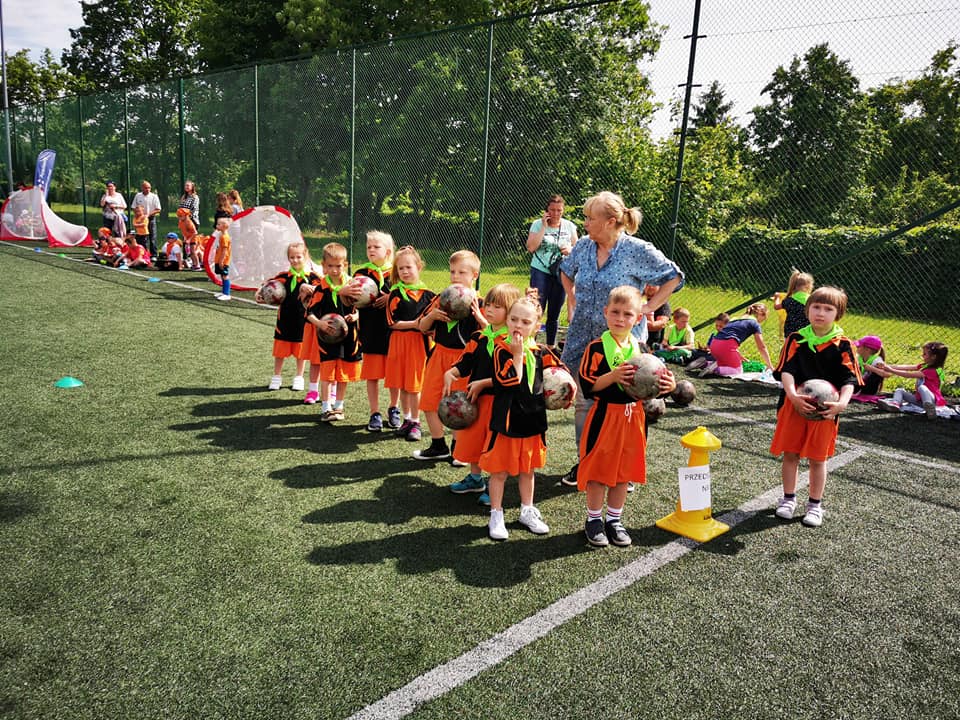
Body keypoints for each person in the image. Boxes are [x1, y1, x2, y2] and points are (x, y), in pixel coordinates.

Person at [558, 190, 683, 488]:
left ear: (610, 221)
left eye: (590, 218)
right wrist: (572, 300)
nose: (585, 223)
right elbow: (565, 271)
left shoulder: (637, 250)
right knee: (585, 402)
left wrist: (648, 308)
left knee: (625, 405)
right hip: (584, 339)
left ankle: (622, 467)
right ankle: (586, 462)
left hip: (624, 344)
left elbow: (674, 276)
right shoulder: (584, 246)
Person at [578, 286, 675, 547]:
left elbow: (656, 381)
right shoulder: (596, 348)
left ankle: (614, 520)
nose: (620, 318)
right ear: (605, 312)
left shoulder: (641, 348)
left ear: (638, 318)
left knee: (623, 473)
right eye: (615, 312)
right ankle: (594, 520)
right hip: (605, 417)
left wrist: (670, 385)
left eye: (627, 314)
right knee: (599, 472)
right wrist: (613, 376)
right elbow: (588, 386)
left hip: (634, 419)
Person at [480, 296, 571, 541]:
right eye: (514, 319)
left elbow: (561, 372)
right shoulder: (501, 349)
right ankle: (496, 513)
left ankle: (527, 510)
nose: (518, 325)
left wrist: (567, 390)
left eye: (525, 321)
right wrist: (518, 355)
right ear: (507, 321)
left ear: (537, 326)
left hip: (533, 421)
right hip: (507, 421)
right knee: (499, 472)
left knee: (528, 471)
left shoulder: (541, 351)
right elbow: (510, 380)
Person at [771, 286, 860, 527]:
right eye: (816, 307)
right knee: (790, 454)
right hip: (795, 406)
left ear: (838, 314)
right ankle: (788, 499)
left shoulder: (844, 345)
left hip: (825, 412)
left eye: (828, 309)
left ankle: (814, 505)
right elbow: (786, 371)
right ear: (807, 309)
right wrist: (792, 395)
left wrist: (841, 403)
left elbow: (849, 379)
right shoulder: (796, 339)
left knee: (818, 459)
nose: (821, 313)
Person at [444, 283, 523, 507]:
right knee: (474, 441)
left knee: (494, 445)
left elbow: (512, 375)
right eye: (488, 304)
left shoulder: (512, 342)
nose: (489, 309)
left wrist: (484, 383)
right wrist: (452, 372)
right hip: (476, 402)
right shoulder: (478, 337)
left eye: (497, 306)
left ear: (510, 312)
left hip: (501, 403)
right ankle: (475, 478)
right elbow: (466, 361)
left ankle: (493, 484)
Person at [413, 250, 485, 461]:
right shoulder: (440, 299)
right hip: (439, 355)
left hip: (465, 360)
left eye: (462, 272)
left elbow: (491, 333)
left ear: (474, 275)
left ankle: (458, 449)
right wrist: (433, 316)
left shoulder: (480, 303)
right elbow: (421, 326)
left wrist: (479, 318)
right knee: (429, 400)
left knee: (461, 405)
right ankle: (438, 445)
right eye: (452, 271)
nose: (455, 276)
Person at [340, 230, 400, 431]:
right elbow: (348, 301)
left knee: (394, 375)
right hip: (370, 331)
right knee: (372, 375)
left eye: (376, 247)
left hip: (392, 332)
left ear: (388, 251)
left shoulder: (397, 273)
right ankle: (374, 412)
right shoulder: (360, 274)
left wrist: (391, 297)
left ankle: (394, 408)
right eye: (369, 247)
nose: (371, 250)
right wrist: (343, 293)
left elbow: (406, 296)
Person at [305, 243, 360, 421]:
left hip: (349, 338)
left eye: (338, 266)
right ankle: (325, 407)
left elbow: (361, 308)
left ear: (345, 265)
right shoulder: (321, 288)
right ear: (323, 265)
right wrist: (319, 323)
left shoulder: (352, 285)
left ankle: (339, 406)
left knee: (343, 373)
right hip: (327, 338)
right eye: (330, 266)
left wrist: (356, 316)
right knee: (327, 373)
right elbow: (309, 313)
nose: (335, 270)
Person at [385, 246, 436, 441]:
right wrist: (415, 324)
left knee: (414, 386)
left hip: (418, 345)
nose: (405, 272)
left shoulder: (430, 296)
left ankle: (416, 422)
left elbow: (433, 324)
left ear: (419, 267)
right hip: (399, 343)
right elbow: (392, 323)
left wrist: (427, 328)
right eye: (401, 268)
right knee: (403, 385)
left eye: (409, 267)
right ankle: (407, 419)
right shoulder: (395, 294)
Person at [256, 240, 320, 391]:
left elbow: (322, 290)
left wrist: (311, 288)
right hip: (284, 321)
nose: (295, 260)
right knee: (280, 352)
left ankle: (299, 377)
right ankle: (276, 376)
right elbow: (267, 286)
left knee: (300, 352)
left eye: (298, 257)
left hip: (303, 322)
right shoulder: (283, 277)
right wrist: (259, 293)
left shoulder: (313, 278)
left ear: (305, 256)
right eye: (292, 257)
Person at [526, 194, 578, 348]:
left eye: (559, 210)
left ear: (563, 211)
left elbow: (578, 250)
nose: (555, 214)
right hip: (540, 270)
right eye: (552, 210)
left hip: (561, 271)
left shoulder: (569, 226)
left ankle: (550, 346)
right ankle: (530, 343)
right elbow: (531, 247)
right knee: (536, 307)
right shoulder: (537, 224)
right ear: (547, 210)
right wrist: (543, 226)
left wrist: (570, 250)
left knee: (554, 311)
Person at [877, 342, 950, 419]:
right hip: (919, 400)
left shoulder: (933, 371)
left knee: (922, 387)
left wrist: (890, 370)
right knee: (899, 391)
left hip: (932, 400)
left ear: (933, 357)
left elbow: (908, 375)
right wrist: (886, 366)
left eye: (924, 354)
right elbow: (906, 367)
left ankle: (930, 407)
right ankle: (895, 404)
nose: (922, 355)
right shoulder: (925, 366)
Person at [699, 304, 773, 376]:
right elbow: (762, 347)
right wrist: (770, 365)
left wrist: (739, 356)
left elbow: (727, 336)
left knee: (726, 364)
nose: (763, 321)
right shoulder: (754, 323)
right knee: (737, 371)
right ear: (761, 314)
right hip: (726, 347)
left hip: (714, 344)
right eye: (764, 318)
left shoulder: (735, 319)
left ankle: (705, 364)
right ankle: (714, 369)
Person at [773, 270, 814, 336]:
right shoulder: (812, 300)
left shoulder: (789, 300)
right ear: (808, 286)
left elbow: (776, 306)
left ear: (794, 285)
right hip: (807, 333)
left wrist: (777, 297)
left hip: (790, 333)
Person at [850, 335, 890, 400]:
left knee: (876, 373)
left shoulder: (877, 360)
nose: (856, 347)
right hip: (858, 384)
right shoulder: (858, 357)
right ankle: (854, 390)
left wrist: (872, 369)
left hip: (869, 389)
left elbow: (887, 374)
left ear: (867, 350)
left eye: (858, 346)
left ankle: (860, 392)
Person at [131, 180, 161, 259]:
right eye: (146, 188)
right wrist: (138, 215)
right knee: (141, 237)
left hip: (150, 218)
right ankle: (142, 254)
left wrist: (147, 215)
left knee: (152, 236)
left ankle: (154, 255)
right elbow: (133, 207)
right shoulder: (138, 195)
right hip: (140, 219)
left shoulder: (154, 196)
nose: (148, 189)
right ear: (142, 188)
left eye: (149, 188)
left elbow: (158, 209)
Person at [642, 283, 671, 348]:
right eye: (648, 284)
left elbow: (661, 323)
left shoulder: (663, 303)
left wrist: (643, 323)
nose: (650, 287)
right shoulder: (637, 298)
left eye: (654, 284)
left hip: (652, 342)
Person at [213, 217, 232, 301]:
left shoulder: (225, 237)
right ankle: (223, 292)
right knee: (222, 275)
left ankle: (227, 294)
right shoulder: (222, 235)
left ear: (224, 226)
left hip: (223, 260)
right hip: (220, 259)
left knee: (225, 276)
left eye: (218, 224)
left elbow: (225, 251)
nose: (217, 226)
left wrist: (221, 261)